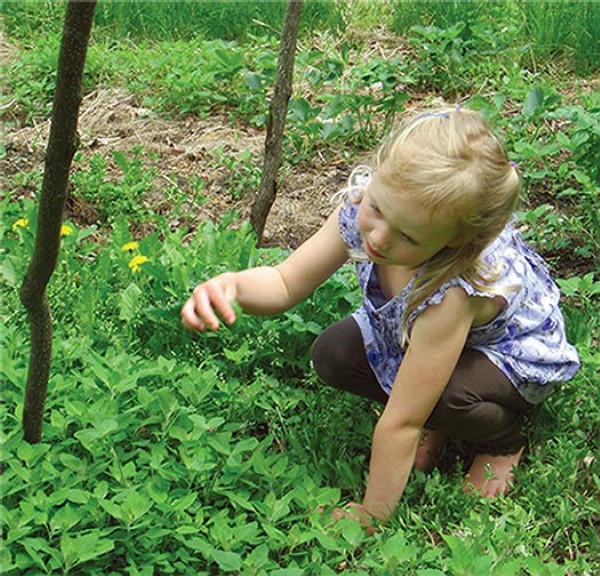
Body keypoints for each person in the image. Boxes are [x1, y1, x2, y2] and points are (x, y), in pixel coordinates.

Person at [181, 106, 580, 528]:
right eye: (377, 208)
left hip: (505, 352)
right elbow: (284, 282)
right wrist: (231, 287)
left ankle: (502, 441)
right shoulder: (367, 210)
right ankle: (442, 423)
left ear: (455, 243)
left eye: (408, 236)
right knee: (334, 353)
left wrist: (371, 514)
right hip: (424, 334)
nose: (378, 236)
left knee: (443, 398)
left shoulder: (451, 295)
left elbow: (400, 423)